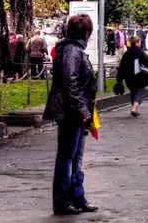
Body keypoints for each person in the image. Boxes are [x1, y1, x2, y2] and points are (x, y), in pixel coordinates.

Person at [43, 13, 98, 215]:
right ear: (85, 31)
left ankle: (76, 196)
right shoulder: (72, 51)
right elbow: (70, 83)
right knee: (66, 156)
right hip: (70, 111)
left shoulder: (73, 50)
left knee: (75, 157)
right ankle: (63, 200)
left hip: (75, 111)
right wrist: (82, 109)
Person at [114, 35, 148, 117]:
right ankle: (134, 109)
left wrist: (119, 79)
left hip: (128, 77)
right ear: (137, 42)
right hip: (139, 76)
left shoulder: (126, 53)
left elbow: (122, 66)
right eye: (140, 42)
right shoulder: (139, 51)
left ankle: (135, 109)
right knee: (140, 90)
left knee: (133, 91)